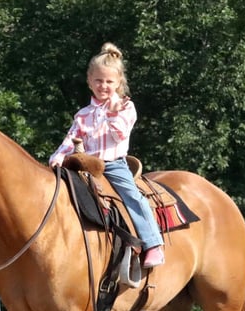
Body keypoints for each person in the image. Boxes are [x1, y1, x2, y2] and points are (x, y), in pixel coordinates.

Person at [48, 42, 165, 268]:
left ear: (118, 82)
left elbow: (120, 135)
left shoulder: (125, 108)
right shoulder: (83, 114)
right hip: (83, 166)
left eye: (109, 81)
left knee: (132, 196)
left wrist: (112, 113)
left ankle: (153, 244)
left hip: (113, 165)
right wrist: (57, 158)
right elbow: (70, 140)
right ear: (89, 81)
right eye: (98, 80)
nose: (103, 86)